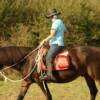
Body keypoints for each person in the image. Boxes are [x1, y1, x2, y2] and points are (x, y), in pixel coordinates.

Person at [40, 8, 68, 81]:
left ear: (52, 16)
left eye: (50, 17)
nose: (50, 18)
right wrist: (62, 39)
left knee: (48, 57)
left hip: (56, 44)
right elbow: (67, 33)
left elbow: (52, 34)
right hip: (59, 44)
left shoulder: (55, 23)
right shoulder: (61, 22)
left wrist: (44, 40)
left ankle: (49, 76)